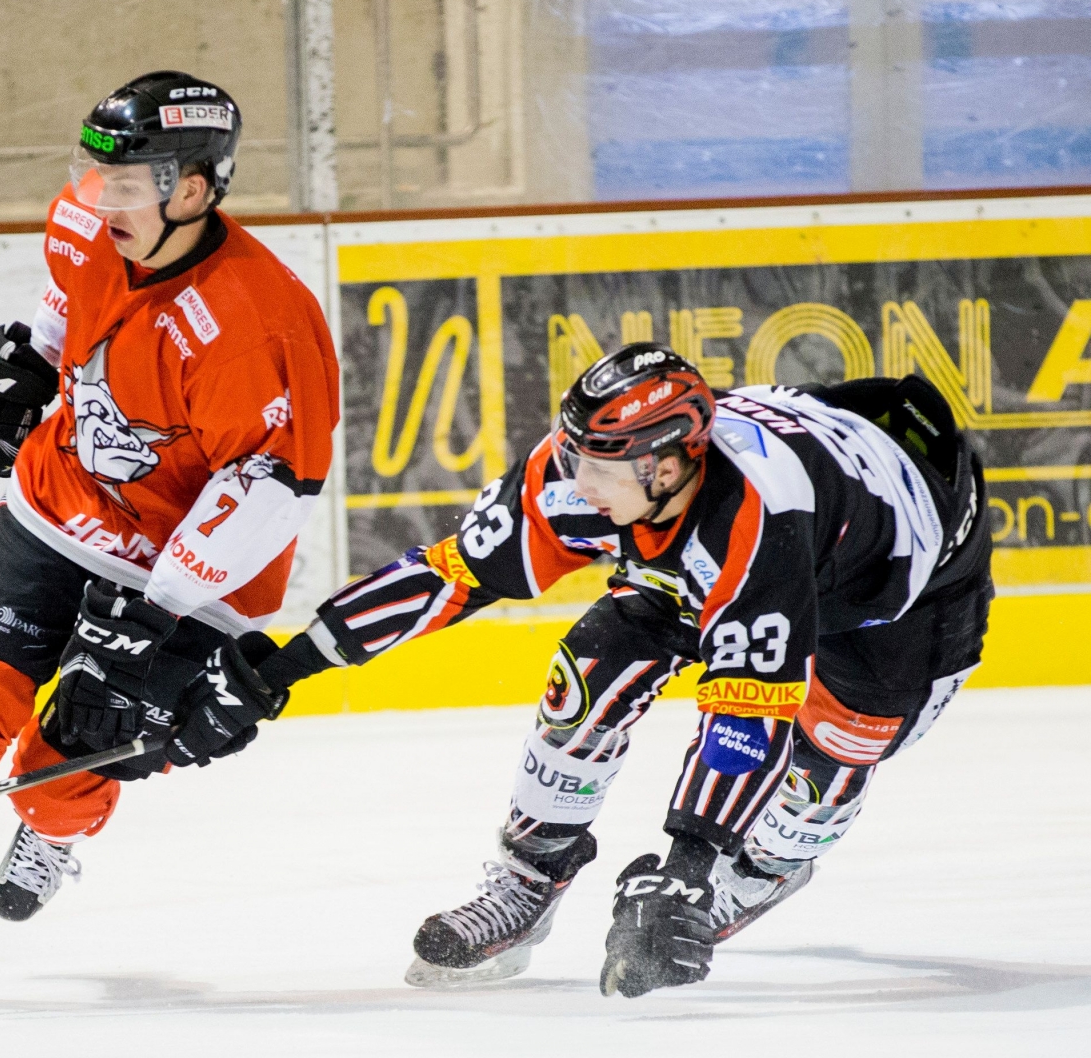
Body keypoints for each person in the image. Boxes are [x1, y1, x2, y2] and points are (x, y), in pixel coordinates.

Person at [171, 344, 992, 997]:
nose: (576, 482)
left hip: (899, 590)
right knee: (587, 676)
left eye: (601, 467)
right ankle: (528, 882)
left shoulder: (762, 517)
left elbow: (746, 718)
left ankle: (765, 869)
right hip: (761, 512)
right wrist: (281, 670)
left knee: (834, 753)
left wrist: (688, 869)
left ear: (668, 467)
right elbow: (448, 577)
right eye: (576, 455)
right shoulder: (589, 476)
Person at [0, 71, 340, 1003]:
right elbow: (67, 302)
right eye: (92, 175)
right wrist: (32, 367)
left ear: (194, 188)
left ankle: (53, 826)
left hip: (190, 572)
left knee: (62, 758)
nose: (96, 199)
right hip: (59, 509)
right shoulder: (90, 226)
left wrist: (155, 609)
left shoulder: (260, 324)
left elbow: (271, 490)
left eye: (123, 185)